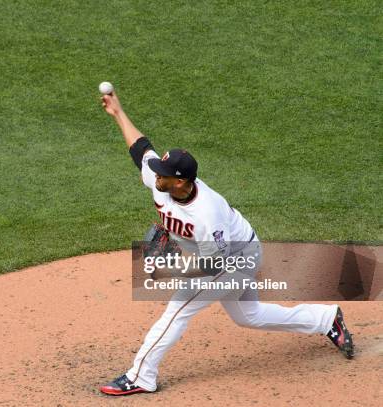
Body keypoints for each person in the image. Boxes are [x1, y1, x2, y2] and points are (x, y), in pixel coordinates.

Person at [98, 89, 354, 396]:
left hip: (235, 257)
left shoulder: (208, 213)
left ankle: (141, 376)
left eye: (163, 175)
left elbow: (212, 266)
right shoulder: (163, 183)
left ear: (180, 181)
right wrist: (118, 112)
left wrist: (172, 259)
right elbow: (141, 149)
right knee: (249, 316)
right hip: (221, 254)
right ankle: (326, 319)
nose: (155, 177)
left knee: (179, 309)